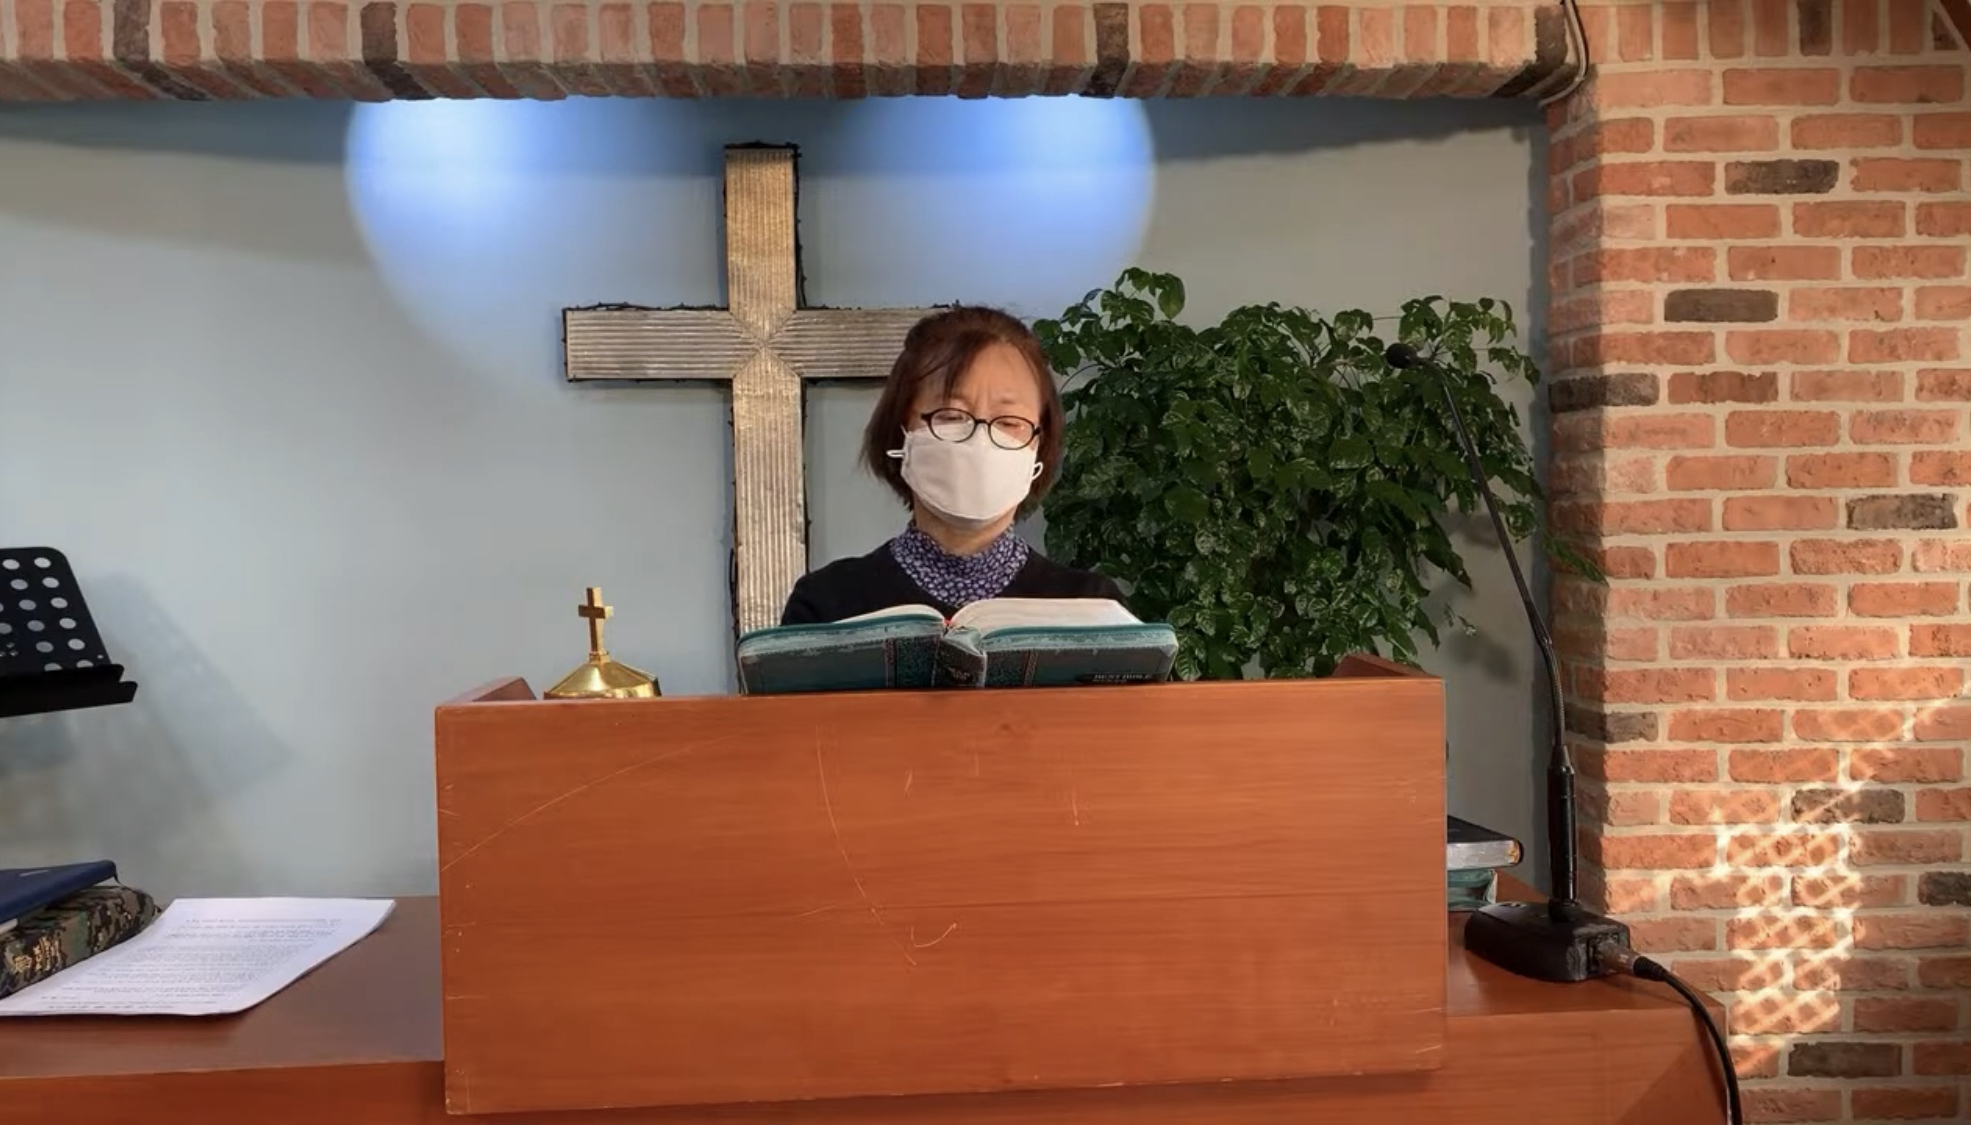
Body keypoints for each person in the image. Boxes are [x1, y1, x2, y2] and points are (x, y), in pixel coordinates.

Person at [779, 306, 1124, 626]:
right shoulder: (826, 605)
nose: (981, 441)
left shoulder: (1093, 610)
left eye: (1009, 422)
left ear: (1039, 445)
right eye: (951, 416)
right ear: (900, 431)